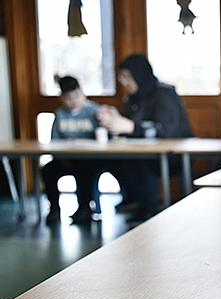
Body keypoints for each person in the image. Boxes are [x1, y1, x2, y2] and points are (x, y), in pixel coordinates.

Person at [97, 54, 194, 223]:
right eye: (122, 77)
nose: (124, 82)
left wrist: (130, 126)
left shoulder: (164, 93)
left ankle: (148, 207)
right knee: (111, 159)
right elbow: (130, 124)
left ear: (139, 73)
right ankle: (134, 199)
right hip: (144, 152)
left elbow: (165, 130)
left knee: (137, 160)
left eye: (127, 76)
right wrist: (114, 117)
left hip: (174, 154)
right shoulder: (132, 98)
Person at [42, 75, 101, 225]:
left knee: (84, 169)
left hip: (89, 158)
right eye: (69, 98)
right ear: (62, 98)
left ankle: (84, 207)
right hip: (65, 158)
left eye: (76, 96)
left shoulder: (95, 111)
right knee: (48, 170)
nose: (74, 101)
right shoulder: (60, 115)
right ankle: (54, 208)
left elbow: (102, 137)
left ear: (83, 93)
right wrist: (62, 157)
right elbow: (53, 142)